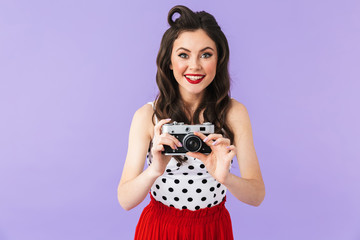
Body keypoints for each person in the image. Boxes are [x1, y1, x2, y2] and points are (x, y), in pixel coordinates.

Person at [117, 5, 265, 240]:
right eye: (183, 55)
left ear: (219, 59)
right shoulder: (147, 116)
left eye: (206, 54)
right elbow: (125, 200)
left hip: (213, 229)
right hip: (160, 228)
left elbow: (256, 195)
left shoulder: (234, 113)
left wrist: (225, 177)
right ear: (169, 61)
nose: (194, 66)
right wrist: (154, 170)